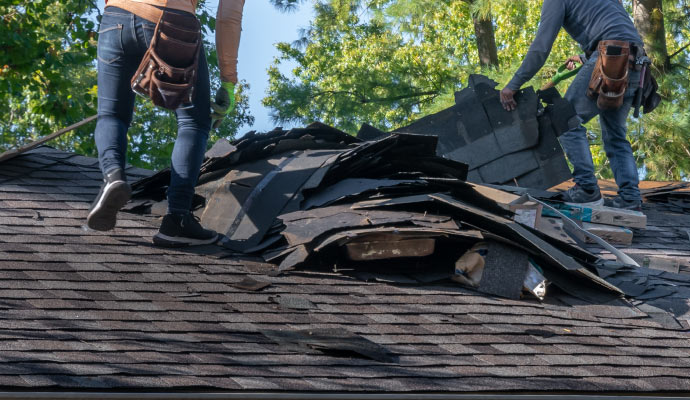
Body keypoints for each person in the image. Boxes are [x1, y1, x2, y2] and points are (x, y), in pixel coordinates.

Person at [86, 0, 246, 245]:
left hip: (115, 17)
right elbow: (229, 17)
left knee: (111, 114)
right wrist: (228, 81)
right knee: (194, 121)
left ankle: (113, 176)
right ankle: (177, 219)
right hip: (173, 20)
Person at [499, 0, 644, 210]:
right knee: (615, 135)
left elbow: (541, 48)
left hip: (610, 56)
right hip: (636, 62)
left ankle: (586, 189)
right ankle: (630, 198)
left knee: (565, 120)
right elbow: (616, 29)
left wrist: (513, 85)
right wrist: (586, 56)